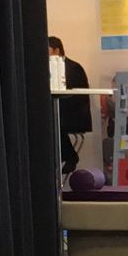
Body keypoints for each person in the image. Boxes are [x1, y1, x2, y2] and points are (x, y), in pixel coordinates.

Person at [48, 37, 93, 176]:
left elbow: (77, 97)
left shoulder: (73, 68)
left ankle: (69, 156)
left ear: (56, 50)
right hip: (62, 110)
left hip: (75, 113)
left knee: (51, 122)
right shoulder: (48, 69)